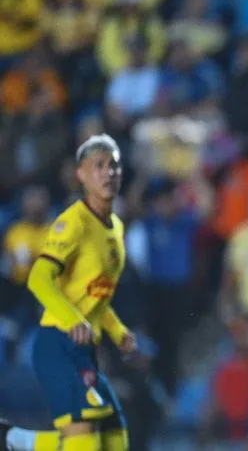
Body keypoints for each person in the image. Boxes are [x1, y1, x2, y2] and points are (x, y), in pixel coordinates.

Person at [1, 134, 135, 451]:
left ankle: (16, 439)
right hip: (58, 342)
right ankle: (14, 439)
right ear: (82, 175)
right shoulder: (72, 223)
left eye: (113, 165)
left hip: (83, 348)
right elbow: (37, 279)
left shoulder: (115, 227)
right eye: (97, 166)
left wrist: (118, 331)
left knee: (116, 440)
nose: (108, 173)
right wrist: (72, 318)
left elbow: (97, 296)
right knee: (85, 444)